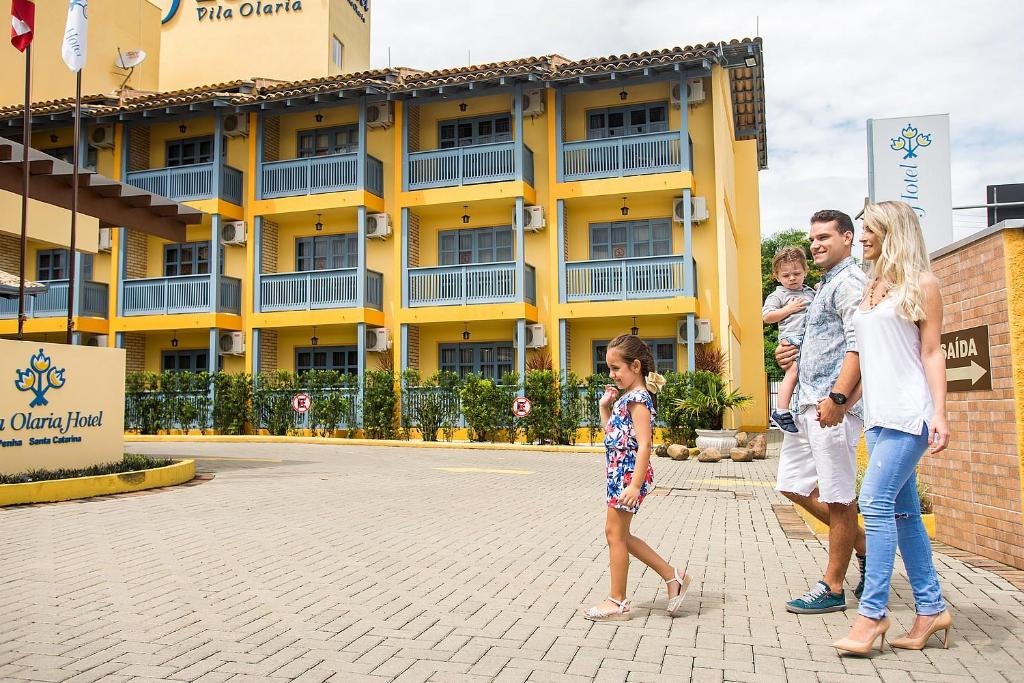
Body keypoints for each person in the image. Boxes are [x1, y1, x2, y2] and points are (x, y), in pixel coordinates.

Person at [833, 200, 951, 655]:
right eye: (862, 230)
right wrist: (846, 403)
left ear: (893, 232)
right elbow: (871, 359)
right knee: (904, 517)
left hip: (909, 413)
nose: (862, 237)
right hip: (878, 416)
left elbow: (931, 353)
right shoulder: (870, 287)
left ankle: (872, 616)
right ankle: (931, 608)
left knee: (874, 501)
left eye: (870, 230)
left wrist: (939, 413)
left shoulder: (922, 284)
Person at [775, 209, 869, 614]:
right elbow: (815, 343)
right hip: (806, 405)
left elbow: (859, 344)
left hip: (831, 406)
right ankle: (866, 547)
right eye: (812, 238)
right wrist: (786, 356)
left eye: (825, 237)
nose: (815, 244)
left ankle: (833, 587)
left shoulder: (850, 282)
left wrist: (840, 398)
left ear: (847, 238)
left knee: (839, 496)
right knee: (792, 485)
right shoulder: (824, 285)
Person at [583, 334, 693, 621]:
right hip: (619, 474)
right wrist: (604, 407)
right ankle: (673, 577)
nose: (612, 375)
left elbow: (645, 444)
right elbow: (613, 436)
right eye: (609, 369)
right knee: (619, 535)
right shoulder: (626, 399)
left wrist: (634, 484)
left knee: (614, 534)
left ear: (635, 366)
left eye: (616, 368)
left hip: (628, 476)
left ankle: (617, 601)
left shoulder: (639, 401)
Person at [763, 246, 816, 432]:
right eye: (786, 275)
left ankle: (798, 407)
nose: (792, 278)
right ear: (777, 276)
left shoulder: (810, 292)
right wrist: (789, 310)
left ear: (805, 272)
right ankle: (781, 410)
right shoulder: (778, 294)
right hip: (791, 340)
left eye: (796, 273)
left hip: (809, 340)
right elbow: (767, 316)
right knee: (792, 371)